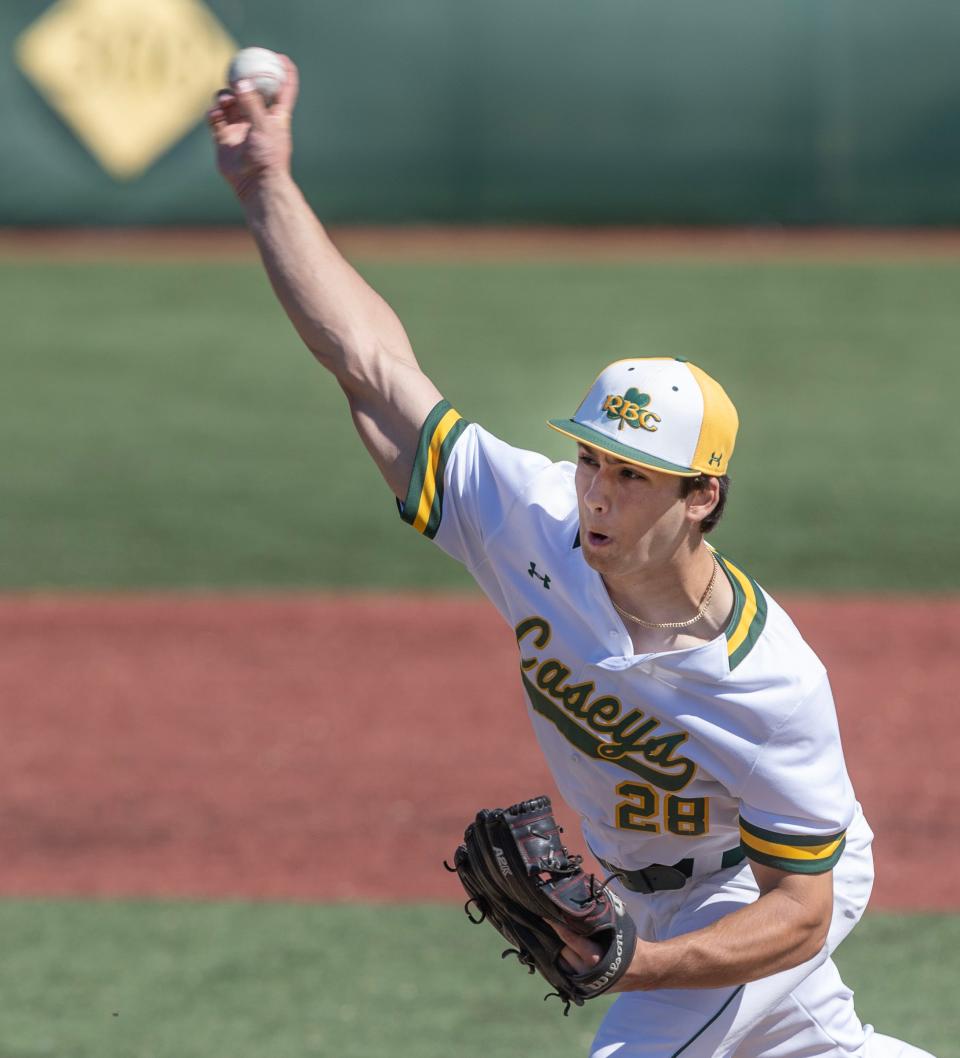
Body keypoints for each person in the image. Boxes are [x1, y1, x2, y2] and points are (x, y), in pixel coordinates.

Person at [207, 58, 935, 1058]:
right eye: (592, 458)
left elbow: (801, 913)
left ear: (701, 496)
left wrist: (630, 961)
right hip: (648, 890)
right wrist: (265, 187)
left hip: (759, 886)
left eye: (631, 474)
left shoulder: (768, 681)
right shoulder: (532, 519)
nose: (596, 489)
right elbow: (374, 371)